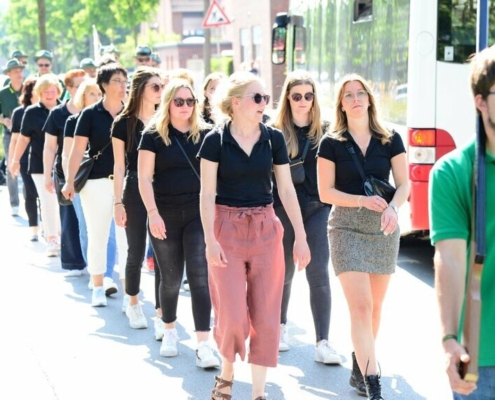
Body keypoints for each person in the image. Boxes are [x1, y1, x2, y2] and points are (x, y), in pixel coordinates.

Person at [198, 71, 311, 400]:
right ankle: (227, 371)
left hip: (265, 227)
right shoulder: (215, 141)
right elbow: (206, 194)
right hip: (226, 227)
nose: (264, 103)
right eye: (257, 97)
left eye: (265, 98)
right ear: (236, 102)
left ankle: (258, 393)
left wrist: (301, 236)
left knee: (266, 315)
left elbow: (286, 190)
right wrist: (210, 240)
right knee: (232, 314)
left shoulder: (273, 139)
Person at [317, 73, 409, 399]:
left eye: (360, 93)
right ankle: (373, 384)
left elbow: (404, 184)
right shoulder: (331, 143)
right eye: (348, 95)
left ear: (369, 99)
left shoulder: (390, 138)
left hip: (383, 228)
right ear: (341, 105)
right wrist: (360, 200)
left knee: (375, 309)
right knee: (361, 306)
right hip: (345, 226)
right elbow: (325, 192)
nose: (355, 99)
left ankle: (360, 368)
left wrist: (393, 208)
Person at [138, 78, 219, 368]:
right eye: (179, 101)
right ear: (168, 102)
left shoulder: (207, 134)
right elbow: (144, 178)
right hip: (165, 213)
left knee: (199, 276)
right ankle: (169, 329)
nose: (185, 106)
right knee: (171, 277)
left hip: (198, 214)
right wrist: (152, 213)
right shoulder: (153, 135)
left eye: (190, 101)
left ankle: (203, 343)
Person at [429, 44, 495, 399]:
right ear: (480, 102)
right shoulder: (453, 172)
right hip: (481, 355)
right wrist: (449, 338)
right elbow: (451, 259)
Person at [271, 70, 341, 364]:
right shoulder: (274, 132)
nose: (303, 101)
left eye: (308, 95)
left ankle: (323, 342)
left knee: (318, 272)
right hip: (283, 208)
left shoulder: (326, 131)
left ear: (314, 98)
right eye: (297, 95)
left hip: (317, 207)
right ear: (287, 98)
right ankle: (279, 327)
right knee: (284, 272)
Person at [62, 63, 127, 307]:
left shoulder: (130, 112)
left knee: (126, 240)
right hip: (95, 183)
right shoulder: (90, 114)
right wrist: (69, 181)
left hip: (126, 183)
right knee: (98, 235)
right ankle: (97, 286)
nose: (123, 85)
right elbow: (77, 150)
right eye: (117, 81)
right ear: (104, 85)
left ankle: (129, 294)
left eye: (125, 80)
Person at [112, 67, 163, 330]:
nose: (161, 91)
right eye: (155, 86)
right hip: (133, 188)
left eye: (162, 86)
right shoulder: (123, 123)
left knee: (164, 253)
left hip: (162, 189)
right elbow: (119, 166)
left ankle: (163, 312)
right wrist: (117, 202)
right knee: (135, 251)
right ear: (141, 89)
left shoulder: (165, 119)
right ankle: (133, 302)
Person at [10, 74, 62, 257]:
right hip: (39, 165)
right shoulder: (31, 113)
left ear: (58, 91)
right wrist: (15, 160)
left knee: (62, 203)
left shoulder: (65, 110)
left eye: (53, 91)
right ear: (39, 92)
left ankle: (63, 236)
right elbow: (23, 139)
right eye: (46, 91)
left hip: (64, 165)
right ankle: (52, 239)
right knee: (48, 202)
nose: (50, 94)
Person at [43, 69, 86, 275]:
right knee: (69, 217)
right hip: (65, 172)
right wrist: (47, 176)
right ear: (69, 88)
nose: (84, 89)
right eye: (79, 86)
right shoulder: (58, 114)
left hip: (91, 172)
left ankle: (97, 262)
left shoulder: (95, 112)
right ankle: (73, 263)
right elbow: (50, 146)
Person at [8, 77, 40, 241]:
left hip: (45, 158)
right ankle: (34, 228)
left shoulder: (52, 110)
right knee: (30, 193)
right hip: (25, 158)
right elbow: (14, 139)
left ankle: (48, 227)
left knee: (46, 194)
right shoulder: (19, 112)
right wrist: (13, 160)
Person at [0, 59, 24, 216]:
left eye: (20, 70)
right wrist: (3, 120)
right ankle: (14, 203)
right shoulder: (2, 93)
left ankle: (32, 201)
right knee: (11, 168)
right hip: (9, 135)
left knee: (30, 168)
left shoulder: (29, 89)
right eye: (15, 71)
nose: (19, 74)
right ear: (8, 74)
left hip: (28, 135)